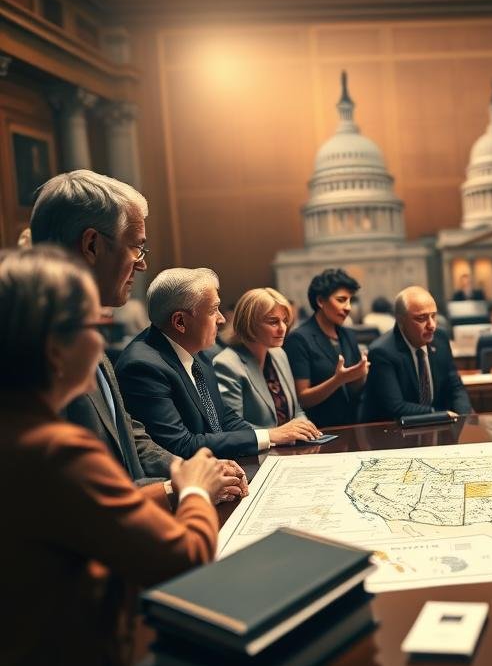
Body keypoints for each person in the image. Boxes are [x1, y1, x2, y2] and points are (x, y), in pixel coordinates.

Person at [0, 248, 225, 666]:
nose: (104, 342)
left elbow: (79, 511)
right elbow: (185, 558)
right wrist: (195, 492)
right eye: (95, 327)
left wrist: (170, 490)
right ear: (55, 348)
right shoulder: (55, 449)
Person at [29, 170, 246, 503]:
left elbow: (130, 437)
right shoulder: (34, 352)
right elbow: (67, 501)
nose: (142, 265)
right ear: (92, 245)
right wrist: (182, 489)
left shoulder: (86, 340)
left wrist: (189, 470)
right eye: (136, 247)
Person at [116, 268, 318, 459]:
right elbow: (180, 445)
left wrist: (272, 436)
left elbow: (223, 417)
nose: (221, 319)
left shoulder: (197, 350)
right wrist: (269, 436)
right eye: (213, 310)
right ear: (180, 322)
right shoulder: (142, 367)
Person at [213, 288, 321, 436]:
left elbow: (296, 410)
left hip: (291, 446)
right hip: (255, 450)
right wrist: (276, 434)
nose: (283, 328)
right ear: (249, 323)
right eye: (273, 322)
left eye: (284, 321)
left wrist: (305, 427)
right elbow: (232, 429)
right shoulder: (227, 364)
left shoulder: (279, 354)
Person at [360, 286, 472, 421]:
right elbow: (396, 408)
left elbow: (455, 387)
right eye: (421, 318)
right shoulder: (382, 352)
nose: (432, 325)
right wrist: (440, 415)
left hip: (438, 424)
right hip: (393, 429)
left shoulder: (440, 339)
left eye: (434, 316)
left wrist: (464, 416)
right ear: (400, 320)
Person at [283, 268, 369, 428]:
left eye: (350, 300)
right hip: (319, 429)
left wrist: (360, 375)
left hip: (353, 426)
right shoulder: (299, 339)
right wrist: (338, 380)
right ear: (321, 301)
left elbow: (354, 390)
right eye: (341, 300)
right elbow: (302, 398)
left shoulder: (348, 335)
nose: (348, 307)